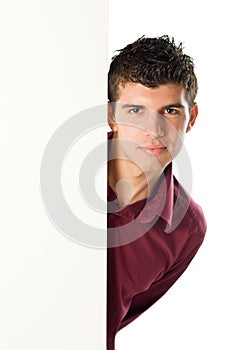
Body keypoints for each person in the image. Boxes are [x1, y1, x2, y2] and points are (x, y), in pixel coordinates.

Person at [107, 35, 207, 350]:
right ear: (111, 115)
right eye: (136, 110)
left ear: (190, 118)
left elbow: (114, 320)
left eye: (170, 111)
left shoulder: (187, 228)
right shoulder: (60, 173)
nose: (154, 129)